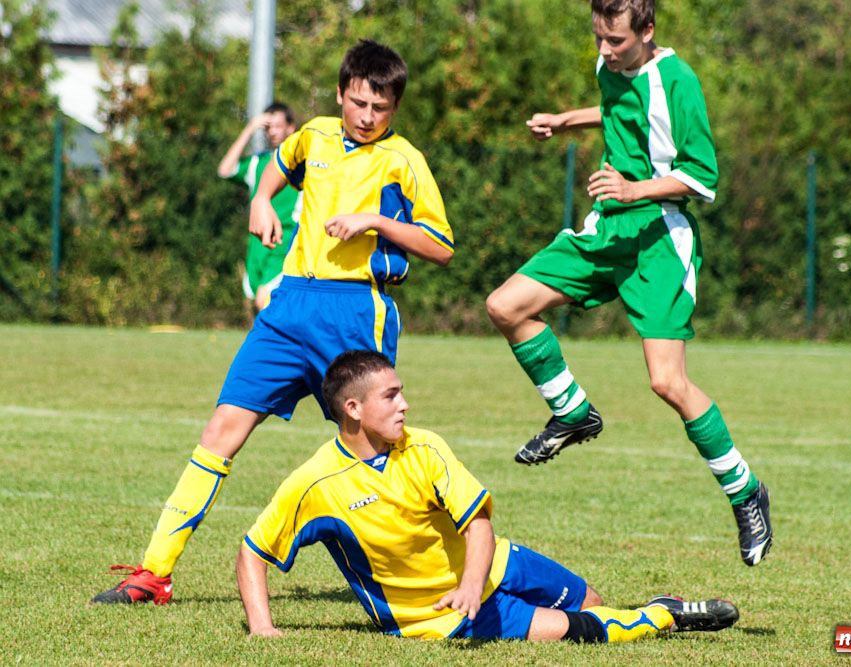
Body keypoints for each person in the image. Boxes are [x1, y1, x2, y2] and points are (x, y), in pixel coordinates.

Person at [92, 40, 455, 605]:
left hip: (357, 311)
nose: (365, 116)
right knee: (220, 431)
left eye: (379, 108)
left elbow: (442, 247)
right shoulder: (311, 135)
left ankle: (435, 577)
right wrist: (262, 201)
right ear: (340, 94)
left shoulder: (403, 160)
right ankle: (152, 574)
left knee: (382, 457)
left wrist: (375, 221)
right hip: (288, 309)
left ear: (395, 110)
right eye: (357, 102)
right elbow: (276, 174)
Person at [484, 0, 772, 567]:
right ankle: (572, 412)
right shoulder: (609, 66)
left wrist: (633, 189)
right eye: (598, 37)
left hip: (660, 239)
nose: (604, 50)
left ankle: (745, 491)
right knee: (506, 305)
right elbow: (619, 111)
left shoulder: (678, 79)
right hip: (608, 230)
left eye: (615, 40)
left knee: (667, 382)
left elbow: (702, 177)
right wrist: (565, 120)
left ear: (647, 31)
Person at [236, 350, 740, 641]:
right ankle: (668, 615)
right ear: (352, 408)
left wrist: (474, 583)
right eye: (391, 396)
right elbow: (253, 551)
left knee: (592, 600)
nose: (405, 404)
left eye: (402, 391)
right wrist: (262, 628)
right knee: (581, 630)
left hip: (488, 567)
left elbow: (478, 522)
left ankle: (641, 606)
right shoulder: (315, 484)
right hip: (439, 616)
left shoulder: (424, 445)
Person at [217, 102, 302, 313]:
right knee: (259, 301)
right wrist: (250, 128)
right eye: (267, 127)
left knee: (265, 299)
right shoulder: (258, 162)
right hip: (257, 244)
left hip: (285, 240)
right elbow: (225, 170)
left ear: (290, 127)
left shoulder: (301, 163)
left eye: (277, 126)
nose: (272, 132)